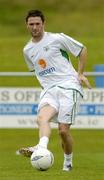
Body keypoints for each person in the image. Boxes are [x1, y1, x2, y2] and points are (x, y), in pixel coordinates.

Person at [19, 9, 91, 171]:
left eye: (38, 23)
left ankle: (67, 163)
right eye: (31, 24)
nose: (35, 27)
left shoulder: (57, 38)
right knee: (41, 118)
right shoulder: (27, 50)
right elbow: (38, 71)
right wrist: (46, 88)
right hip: (49, 90)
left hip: (68, 86)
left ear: (44, 24)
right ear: (27, 25)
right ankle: (41, 147)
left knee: (63, 131)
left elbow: (82, 50)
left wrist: (80, 74)